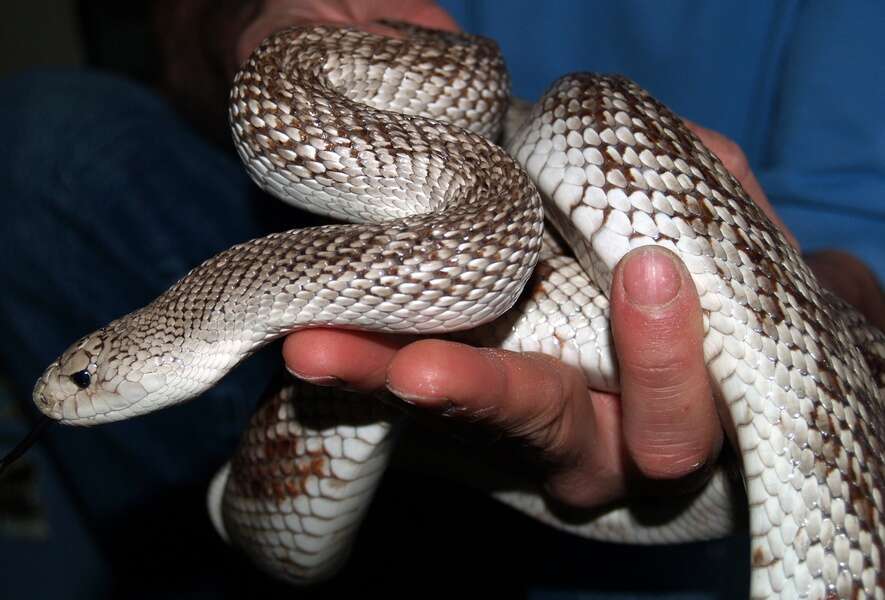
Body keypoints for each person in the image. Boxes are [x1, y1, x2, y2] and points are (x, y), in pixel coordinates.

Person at [0, 1, 881, 598]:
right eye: (81, 376)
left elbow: (859, 226)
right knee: (47, 145)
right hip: (442, 192)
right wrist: (254, 15)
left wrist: (811, 298)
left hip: (598, 243)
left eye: (82, 378)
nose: (64, 391)